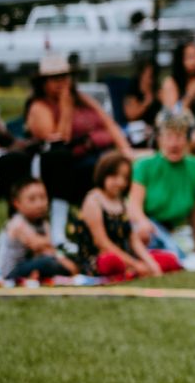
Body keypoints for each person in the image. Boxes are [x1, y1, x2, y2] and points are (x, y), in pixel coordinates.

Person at [24, 54, 130, 206]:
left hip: (104, 150)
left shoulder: (81, 98)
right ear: (43, 83)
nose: (61, 83)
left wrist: (126, 150)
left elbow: (109, 123)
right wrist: (65, 108)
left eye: (64, 77)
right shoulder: (39, 107)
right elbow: (60, 142)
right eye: (55, 79)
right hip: (74, 161)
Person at [72, 151, 181, 280]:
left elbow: (133, 239)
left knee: (170, 260)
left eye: (124, 177)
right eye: (115, 176)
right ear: (104, 173)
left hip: (126, 257)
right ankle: (132, 270)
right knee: (111, 262)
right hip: (101, 259)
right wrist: (135, 264)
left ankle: (133, 270)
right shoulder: (93, 200)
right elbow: (102, 243)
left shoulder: (123, 202)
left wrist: (152, 264)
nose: (120, 182)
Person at [129, 110, 195, 256]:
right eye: (168, 137)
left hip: (177, 229)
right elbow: (134, 206)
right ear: (159, 139)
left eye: (179, 137)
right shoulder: (144, 165)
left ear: (188, 139)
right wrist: (143, 222)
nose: (174, 144)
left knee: (183, 252)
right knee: (149, 238)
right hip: (149, 227)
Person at [0, 177, 77, 281]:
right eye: (32, 199)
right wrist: (61, 258)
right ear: (16, 203)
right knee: (47, 262)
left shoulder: (43, 223)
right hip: (10, 272)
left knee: (59, 260)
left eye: (43, 197)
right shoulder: (17, 223)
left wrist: (61, 257)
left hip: (31, 264)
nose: (39, 204)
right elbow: (38, 245)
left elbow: (48, 247)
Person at [123, 59, 162, 146]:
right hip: (137, 131)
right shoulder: (132, 89)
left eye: (152, 76)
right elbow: (131, 115)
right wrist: (145, 103)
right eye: (149, 76)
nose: (150, 81)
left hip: (154, 129)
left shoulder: (156, 89)